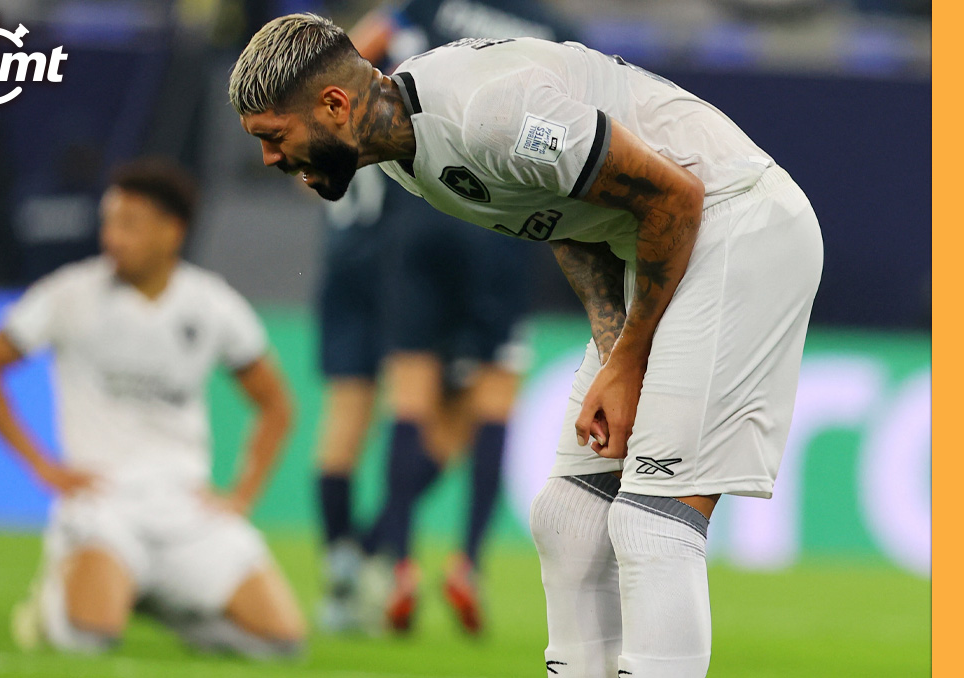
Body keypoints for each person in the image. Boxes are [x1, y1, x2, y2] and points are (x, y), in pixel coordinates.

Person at [229, 16, 823, 678]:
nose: (271, 160)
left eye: (274, 138)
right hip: (673, 247)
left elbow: (671, 196)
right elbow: (566, 216)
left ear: (334, 105)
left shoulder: (488, 114)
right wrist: (612, 342)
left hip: (739, 225)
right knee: (568, 519)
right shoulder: (402, 155)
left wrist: (627, 361)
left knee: (651, 520)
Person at [0, 158, 307, 658]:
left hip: (186, 507)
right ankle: (59, 597)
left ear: (172, 232)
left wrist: (242, 495)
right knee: (88, 641)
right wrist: (40, 465)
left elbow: (276, 405)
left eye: (130, 224)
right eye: (110, 222)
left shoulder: (211, 305)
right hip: (104, 503)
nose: (113, 238)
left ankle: (167, 601)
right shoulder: (69, 294)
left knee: (282, 644)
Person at [313, 0, 575, 635]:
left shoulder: (430, 7)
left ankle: (394, 565)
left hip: (420, 215)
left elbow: (337, 62)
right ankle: (467, 565)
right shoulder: (563, 37)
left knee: (409, 397)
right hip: (503, 223)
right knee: (489, 398)